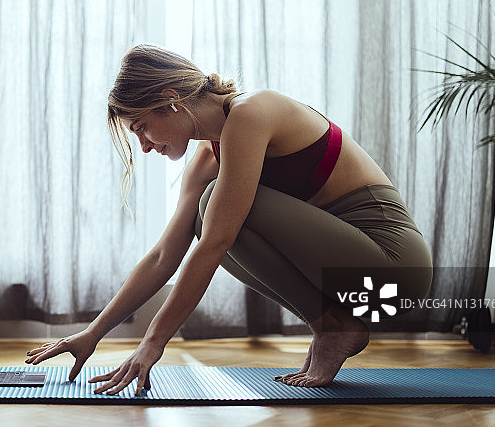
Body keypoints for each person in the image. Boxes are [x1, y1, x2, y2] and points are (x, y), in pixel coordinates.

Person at [25, 44, 432, 393]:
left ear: (171, 99)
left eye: (143, 128)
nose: (145, 147)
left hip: (393, 269)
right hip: (347, 279)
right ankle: (332, 325)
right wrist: (93, 333)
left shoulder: (254, 112)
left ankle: (332, 328)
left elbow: (215, 243)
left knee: (213, 213)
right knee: (207, 214)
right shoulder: (207, 158)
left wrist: (153, 342)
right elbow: (164, 256)